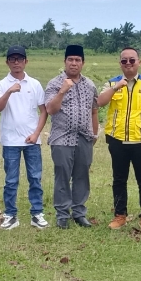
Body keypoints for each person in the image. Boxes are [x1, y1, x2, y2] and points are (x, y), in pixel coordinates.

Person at [97, 47, 141, 234]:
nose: (128, 64)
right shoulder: (112, 83)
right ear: (120, 64)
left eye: (132, 60)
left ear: (139, 62)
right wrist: (116, 87)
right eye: (124, 61)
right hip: (117, 140)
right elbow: (100, 102)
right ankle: (119, 215)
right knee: (119, 179)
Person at [0, 45, 49, 230]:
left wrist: (36, 134)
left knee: (35, 177)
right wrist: (9, 91)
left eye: (20, 59)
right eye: (12, 59)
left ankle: (37, 213)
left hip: (32, 140)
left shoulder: (34, 84)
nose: (16, 62)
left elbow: (43, 111)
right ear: (7, 62)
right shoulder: (1, 84)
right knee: (11, 180)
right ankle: (10, 215)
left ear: (26, 61)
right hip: (10, 141)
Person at [44, 45, 99, 228]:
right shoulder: (54, 83)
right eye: (70, 60)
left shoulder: (90, 85)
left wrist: (94, 132)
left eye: (77, 60)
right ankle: (62, 215)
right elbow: (50, 110)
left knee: (82, 175)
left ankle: (79, 212)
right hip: (62, 137)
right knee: (62, 176)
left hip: (84, 137)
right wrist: (62, 90)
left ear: (82, 63)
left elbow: (94, 110)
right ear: (64, 62)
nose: (74, 63)